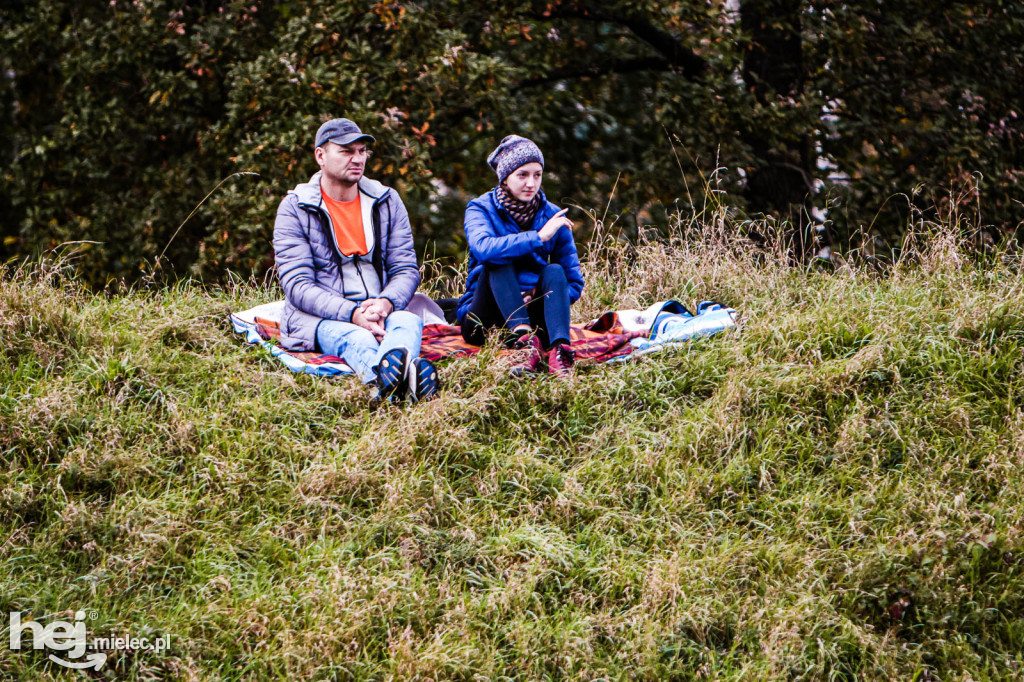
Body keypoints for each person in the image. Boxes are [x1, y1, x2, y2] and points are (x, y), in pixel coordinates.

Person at [273, 117, 439, 403]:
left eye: (362, 151)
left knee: (408, 322)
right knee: (357, 338)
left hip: (382, 309)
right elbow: (297, 285)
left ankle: (390, 387)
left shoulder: (387, 200)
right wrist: (352, 314)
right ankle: (402, 383)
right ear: (320, 156)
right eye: (347, 151)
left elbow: (405, 269)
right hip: (322, 317)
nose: (357, 158)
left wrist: (386, 303)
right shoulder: (295, 208)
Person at [456, 135, 584, 376]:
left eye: (537, 174)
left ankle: (560, 352)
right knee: (495, 260)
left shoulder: (553, 215)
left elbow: (574, 282)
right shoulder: (480, 208)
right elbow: (482, 248)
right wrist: (538, 237)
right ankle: (524, 344)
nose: (531, 183)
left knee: (554, 271)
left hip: (537, 318)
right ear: (505, 178)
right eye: (522, 175)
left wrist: (539, 297)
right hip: (486, 318)